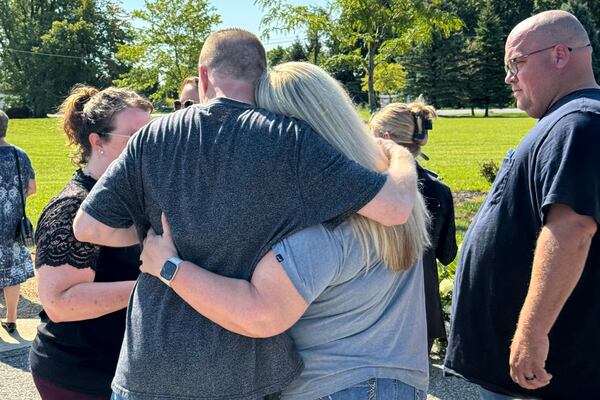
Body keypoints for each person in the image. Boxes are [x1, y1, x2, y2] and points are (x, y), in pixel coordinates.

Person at [73, 29, 419, 400]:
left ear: (204, 77)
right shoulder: (293, 141)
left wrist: (156, 238)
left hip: (149, 364)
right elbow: (395, 208)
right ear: (262, 75)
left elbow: (88, 226)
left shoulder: (151, 136)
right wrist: (398, 154)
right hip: (242, 374)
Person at [444, 10, 600, 400]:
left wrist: (531, 333)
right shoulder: (566, 120)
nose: (509, 77)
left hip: (545, 376)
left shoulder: (578, 123)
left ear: (560, 55)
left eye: (516, 63)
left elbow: (571, 229)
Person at [30, 85, 152, 399]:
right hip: (77, 374)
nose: (149, 147)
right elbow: (59, 303)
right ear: (97, 141)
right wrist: (156, 287)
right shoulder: (72, 208)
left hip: (119, 368)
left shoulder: (132, 198)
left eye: (152, 135)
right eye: (135, 138)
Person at [370, 102, 457, 352]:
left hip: (375, 312)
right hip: (422, 311)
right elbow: (447, 254)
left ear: (385, 139)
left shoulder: (369, 189)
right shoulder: (438, 191)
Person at [0, 109, 36, 334]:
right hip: (13, 225)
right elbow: (32, 188)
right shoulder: (19, 155)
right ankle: (11, 319)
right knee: (12, 273)